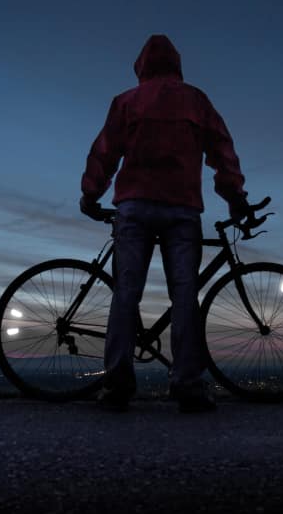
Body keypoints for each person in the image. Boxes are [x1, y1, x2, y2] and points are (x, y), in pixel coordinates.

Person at [79, 34, 250, 413]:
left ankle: (118, 385)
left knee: (126, 294)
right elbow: (223, 151)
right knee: (185, 297)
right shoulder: (197, 100)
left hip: (135, 208)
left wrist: (90, 195)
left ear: (141, 65)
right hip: (182, 209)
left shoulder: (126, 101)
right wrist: (235, 199)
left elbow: (104, 152)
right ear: (177, 63)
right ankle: (188, 385)